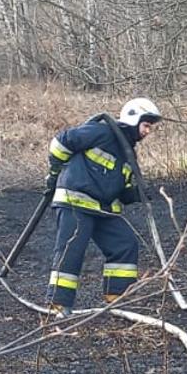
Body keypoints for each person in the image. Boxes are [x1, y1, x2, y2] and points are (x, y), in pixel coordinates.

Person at [43, 98, 162, 315]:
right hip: (75, 203)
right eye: (146, 126)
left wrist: (138, 194)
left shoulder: (128, 153)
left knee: (125, 245)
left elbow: (123, 191)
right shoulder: (102, 131)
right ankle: (59, 304)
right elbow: (61, 142)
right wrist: (54, 172)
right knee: (71, 251)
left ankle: (118, 299)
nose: (148, 132)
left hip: (103, 210)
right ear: (134, 118)